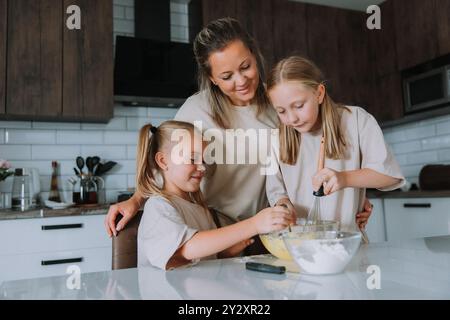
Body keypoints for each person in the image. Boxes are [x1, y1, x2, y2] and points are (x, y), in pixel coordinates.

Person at [105, 18, 373, 247]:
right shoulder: (196, 111)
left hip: (273, 228)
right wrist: (136, 200)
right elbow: (168, 167)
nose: (241, 81)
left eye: (246, 67)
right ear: (212, 78)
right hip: (217, 232)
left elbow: (315, 154)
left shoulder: (280, 104)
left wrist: (351, 197)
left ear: (255, 56)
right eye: (227, 76)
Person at [265, 56, 405, 232]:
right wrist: (284, 207)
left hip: (348, 244)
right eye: (281, 111)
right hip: (299, 246)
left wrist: (344, 178)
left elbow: (389, 176)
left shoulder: (356, 120)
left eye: (299, 105)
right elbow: (276, 193)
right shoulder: (274, 140)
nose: (292, 118)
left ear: (319, 93)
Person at [135, 121, 291, 270]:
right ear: (163, 161)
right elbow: (187, 249)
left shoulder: (200, 208)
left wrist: (225, 252)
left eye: (203, 159)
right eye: (192, 159)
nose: (202, 166)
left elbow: (200, 258)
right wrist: (254, 224)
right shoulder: (158, 206)